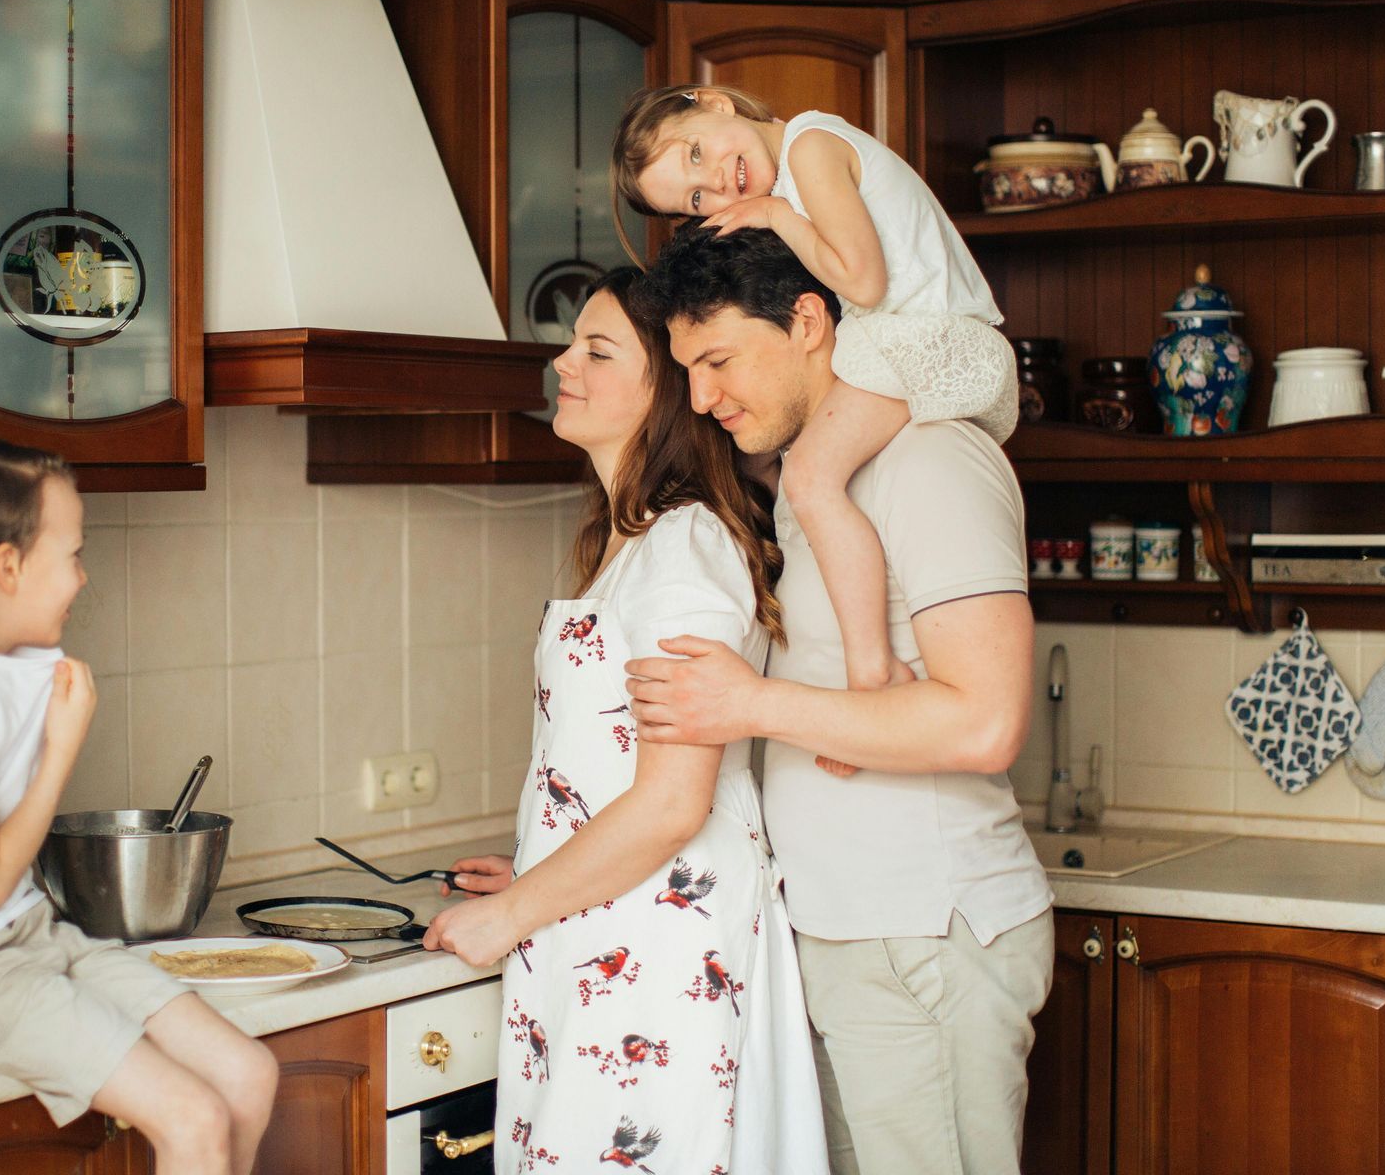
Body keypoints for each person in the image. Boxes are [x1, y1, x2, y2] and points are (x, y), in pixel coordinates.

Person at [627, 225, 1054, 1175]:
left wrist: (748, 705)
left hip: (923, 936)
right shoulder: (812, 484)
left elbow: (985, 720)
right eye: (687, 370)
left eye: (720, 359)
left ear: (810, 322)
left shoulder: (932, 461)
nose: (704, 396)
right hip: (852, 932)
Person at [423, 268, 828, 1174]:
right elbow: (611, 765)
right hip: (612, 918)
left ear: (669, 394)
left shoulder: (684, 547)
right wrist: (541, 859)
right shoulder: (632, 537)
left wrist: (516, 911)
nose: (563, 361)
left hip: (662, 954)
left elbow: (674, 801)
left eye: (598, 350)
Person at [0, 440, 276, 1175]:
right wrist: (63, 749)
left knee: (248, 1075)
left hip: (27, 941)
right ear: (7, 566)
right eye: (72, 554)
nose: (83, 576)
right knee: (190, 1117)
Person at [611, 84, 1017, 699]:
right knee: (799, 473)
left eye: (695, 153)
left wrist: (776, 216)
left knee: (810, 482)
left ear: (716, 101)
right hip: (916, 343)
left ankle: (869, 667)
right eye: (697, 198)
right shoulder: (798, 167)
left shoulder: (811, 147)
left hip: (933, 341)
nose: (719, 187)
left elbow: (865, 279)